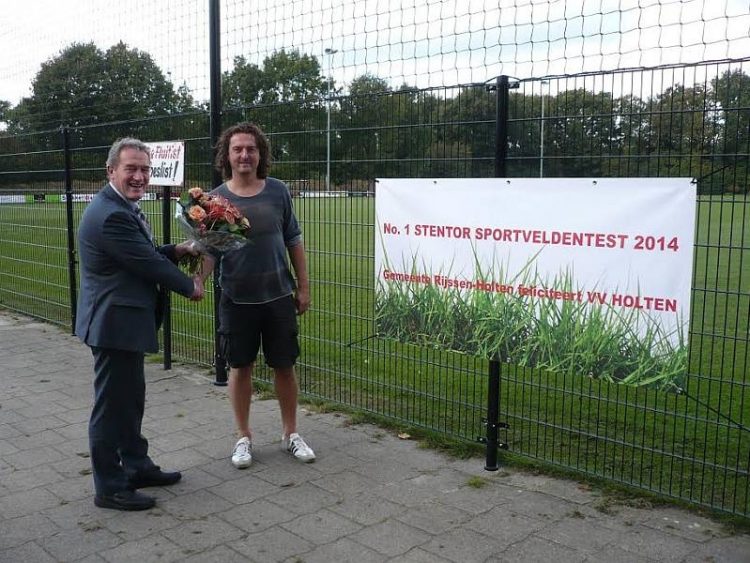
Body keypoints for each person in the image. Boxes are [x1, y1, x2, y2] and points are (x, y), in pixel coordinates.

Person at [76, 137, 205, 511]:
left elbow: (141, 255)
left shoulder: (120, 206)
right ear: (111, 170)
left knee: (129, 401)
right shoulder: (112, 213)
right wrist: (190, 286)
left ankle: (136, 466)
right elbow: (147, 265)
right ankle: (110, 486)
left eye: (144, 169)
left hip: (120, 322)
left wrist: (178, 250)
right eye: (131, 168)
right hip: (114, 323)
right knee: (112, 407)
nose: (139, 176)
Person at [204, 122, 314, 469]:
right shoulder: (215, 199)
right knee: (240, 367)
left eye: (250, 148)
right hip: (236, 299)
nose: (244, 155)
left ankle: (290, 434)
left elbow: (293, 240)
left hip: (278, 296)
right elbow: (210, 249)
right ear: (228, 155)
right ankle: (243, 437)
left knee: (285, 366)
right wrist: (197, 282)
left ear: (260, 153)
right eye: (237, 149)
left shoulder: (278, 191)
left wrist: (304, 286)